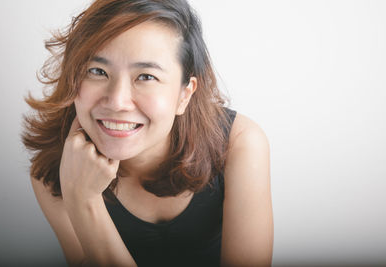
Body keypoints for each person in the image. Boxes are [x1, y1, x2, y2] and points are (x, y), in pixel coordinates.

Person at [21, 0, 273, 266]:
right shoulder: (54, 168)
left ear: (184, 94)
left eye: (146, 77)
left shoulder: (240, 143)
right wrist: (82, 198)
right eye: (97, 71)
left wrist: (82, 201)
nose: (117, 101)